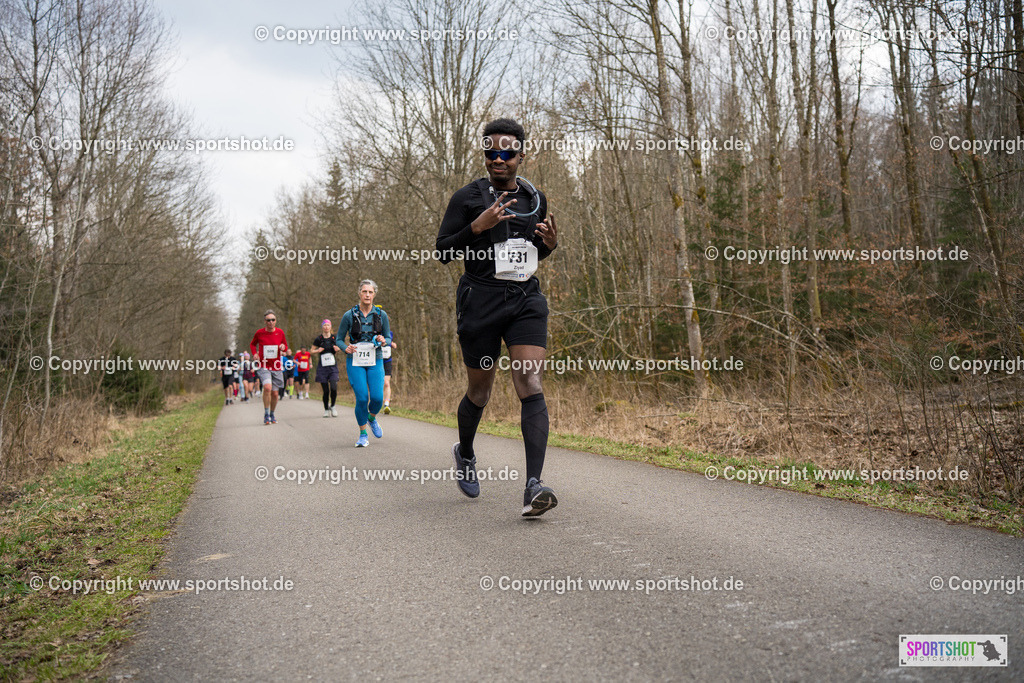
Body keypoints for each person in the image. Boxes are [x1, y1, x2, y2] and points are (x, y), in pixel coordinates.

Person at [435, 117, 559, 517]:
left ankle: (533, 486)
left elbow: (531, 252)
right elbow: (443, 251)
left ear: (522, 155)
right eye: (491, 151)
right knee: (480, 392)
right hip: (480, 301)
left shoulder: (534, 197)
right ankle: (466, 452)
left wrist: (550, 247)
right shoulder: (466, 197)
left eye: (507, 152)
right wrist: (477, 226)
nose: (498, 158)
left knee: (529, 379)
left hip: (524, 298)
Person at [339, 280, 390, 447]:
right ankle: (362, 434)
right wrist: (345, 348)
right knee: (362, 398)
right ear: (359, 293)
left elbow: (388, 338)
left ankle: (371, 418)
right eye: (364, 292)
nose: (367, 295)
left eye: (370, 292)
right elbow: (339, 339)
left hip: (375, 359)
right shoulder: (349, 315)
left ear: (374, 294)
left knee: (377, 397)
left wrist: (384, 340)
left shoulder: (381, 315)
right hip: (355, 361)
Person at [249, 310, 288, 425]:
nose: (271, 322)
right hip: (263, 365)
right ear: (265, 321)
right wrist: (254, 353)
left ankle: (272, 413)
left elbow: (285, 346)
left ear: (276, 321)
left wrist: (283, 347)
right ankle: (266, 414)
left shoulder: (280, 332)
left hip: (276, 366)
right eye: (268, 320)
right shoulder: (259, 333)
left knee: (275, 394)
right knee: (267, 388)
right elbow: (252, 344)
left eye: (273, 320)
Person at [311, 320, 341, 417]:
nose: (326, 327)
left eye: (328, 325)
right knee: (326, 391)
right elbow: (311, 351)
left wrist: (338, 349)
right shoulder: (319, 339)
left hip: (332, 366)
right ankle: (326, 409)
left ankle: (333, 406)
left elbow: (341, 347)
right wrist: (317, 350)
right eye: (324, 325)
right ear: (322, 327)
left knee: (333, 387)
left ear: (330, 326)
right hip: (322, 367)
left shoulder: (334, 338)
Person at [382, 330, 396, 414]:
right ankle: (374, 403)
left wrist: (393, 344)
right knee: (377, 383)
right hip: (377, 361)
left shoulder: (390, 332)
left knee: (386, 383)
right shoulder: (375, 332)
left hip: (387, 361)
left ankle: (386, 404)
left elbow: (391, 342)